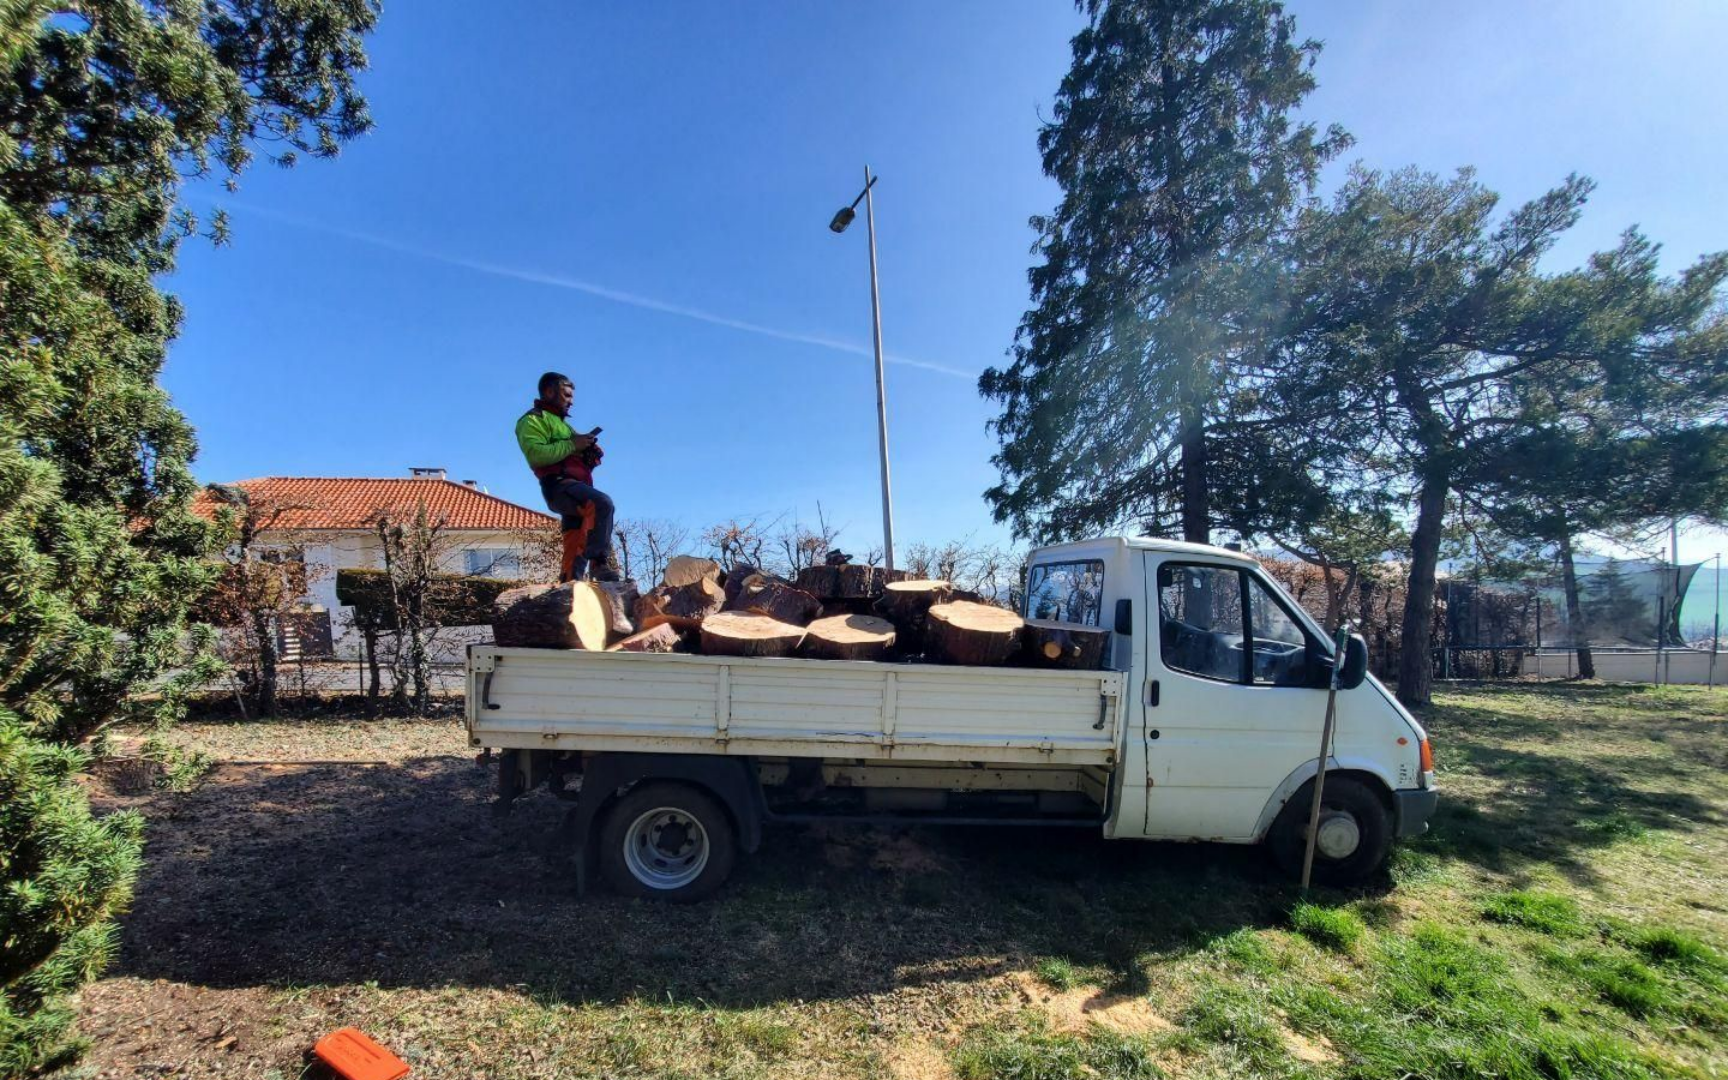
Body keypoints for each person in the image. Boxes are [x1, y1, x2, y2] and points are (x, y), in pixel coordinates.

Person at [515, 371, 619, 581]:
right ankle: (598, 563)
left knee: (576, 536)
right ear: (549, 391)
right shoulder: (532, 420)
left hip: (573, 485)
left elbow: (569, 456)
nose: (571, 401)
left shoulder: (563, 425)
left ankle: (569, 585)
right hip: (558, 485)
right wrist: (574, 445)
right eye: (567, 395)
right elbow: (536, 455)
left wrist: (588, 456)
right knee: (602, 504)